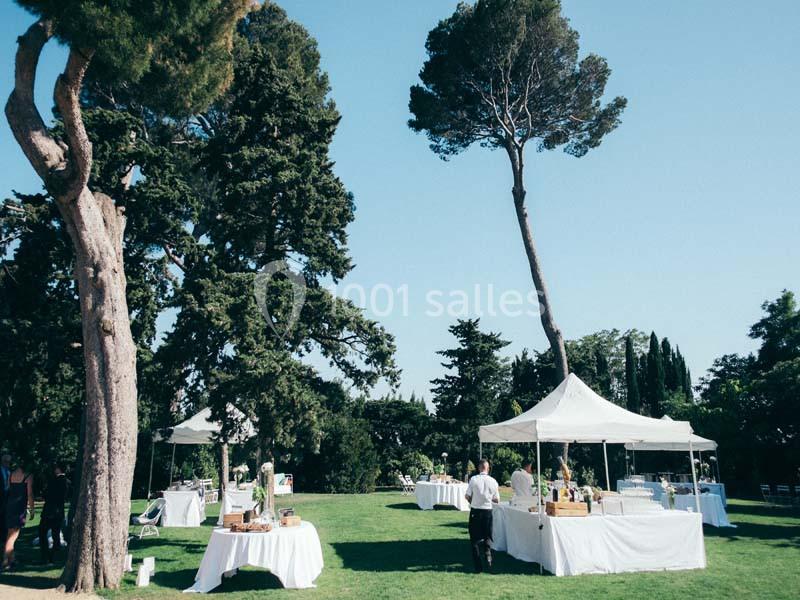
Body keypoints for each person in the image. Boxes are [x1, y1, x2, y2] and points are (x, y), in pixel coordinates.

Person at [464, 458, 499, 573]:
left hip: (475, 511)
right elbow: (496, 500)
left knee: (474, 539)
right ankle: (488, 555)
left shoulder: (473, 479)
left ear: (479, 468)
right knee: (487, 536)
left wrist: (473, 501)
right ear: (488, 468)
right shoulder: (493, 481)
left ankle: (478, 566)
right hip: (487, 511)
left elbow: (467, 496)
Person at [3, 462, 34, 571]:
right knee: (13, 536)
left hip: (10, 506)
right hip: (19, 507)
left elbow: (8, 489)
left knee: (9, 534)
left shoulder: (11, 474)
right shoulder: (28, 476)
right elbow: (29, 494)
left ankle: (12, 559)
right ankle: (5, 561)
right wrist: (32, 508)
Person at [39, 463, 69, 564]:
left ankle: (45, 556)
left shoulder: (53, 481)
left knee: (43, 533)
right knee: (55, 533)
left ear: (58, 469)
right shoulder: (66, 482)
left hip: (49, 510)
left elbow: (46, 494)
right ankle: (54, 556)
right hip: (59, 511)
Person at [0, 454, 11, 551]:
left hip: (7, 500)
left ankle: (4, 542)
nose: (8, 463)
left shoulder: (9, 472)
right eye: (6, 461)